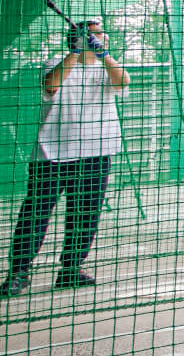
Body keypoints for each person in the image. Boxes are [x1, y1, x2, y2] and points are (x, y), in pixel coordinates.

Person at [1, 18, 128, 297]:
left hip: (96, 153)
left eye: (101, 35)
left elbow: (123, 81)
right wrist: (76, 51)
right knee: (35, 214)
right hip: (52, 154)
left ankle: (70, 270)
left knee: (85, 215)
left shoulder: (108, 66)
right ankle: (19, 272)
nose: (101, 38)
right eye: (93, 35)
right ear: (76, 39)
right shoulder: (56, 62)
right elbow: (51, 84)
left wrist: (103, 55)